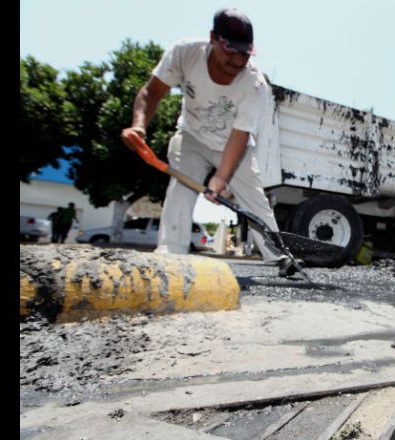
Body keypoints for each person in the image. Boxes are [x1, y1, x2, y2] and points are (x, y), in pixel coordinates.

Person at [121, 8, 299, 277]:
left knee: (255, 201)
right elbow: (152, 92)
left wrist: (220, 179)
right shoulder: (185, 53)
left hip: (233, 146)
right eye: (230, 51)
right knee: (181, 189)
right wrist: (138, 125)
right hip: (191, 137)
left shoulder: (255, 83)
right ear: (213, 38)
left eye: (244, 53)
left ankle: (278, 256)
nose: (238, 61)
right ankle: (171, 254)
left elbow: (240, 134)